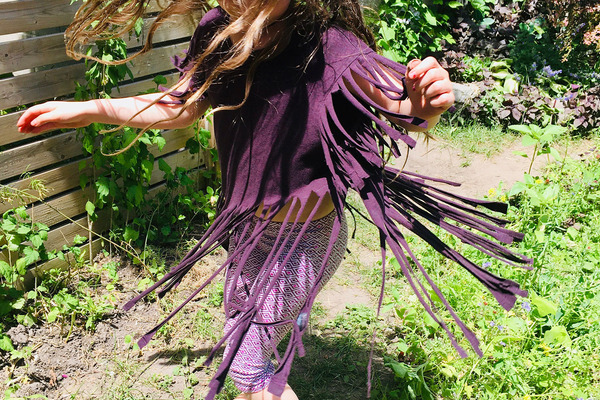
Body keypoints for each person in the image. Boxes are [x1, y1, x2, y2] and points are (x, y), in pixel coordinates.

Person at [17, 0, 531, 399]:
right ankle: (285, 319)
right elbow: (181, 106)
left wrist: (423, 105)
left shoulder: (330, 46)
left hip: (307, 238)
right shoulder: (219, 31)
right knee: (238, 314)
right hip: (246, 229)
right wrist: (87, 109)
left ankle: (276, 334)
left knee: (246, 368)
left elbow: (397, 108)